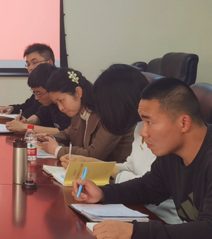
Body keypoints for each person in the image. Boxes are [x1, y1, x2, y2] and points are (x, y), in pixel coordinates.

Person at [73, 77, 212, 239]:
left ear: (184, 123)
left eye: (149, 122)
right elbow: (148, 187)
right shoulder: (173, 152)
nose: (143, 132)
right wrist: (103, 193)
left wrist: (135, 232)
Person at [59, 64, 179, 224]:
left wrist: (110, 170)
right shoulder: (138, 127)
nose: (101, 113)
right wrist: (93, 164)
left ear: (118, 103)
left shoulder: (161, 134)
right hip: (136, 210)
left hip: (160, 219)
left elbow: (148, 186)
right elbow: (130, 166)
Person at [41, 68, 133, 163]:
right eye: (56, 103)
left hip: (118, 170)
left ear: (78, 92)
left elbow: (94, 155)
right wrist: (50, 139)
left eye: (61, 101)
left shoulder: (109, 113)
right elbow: (68, 133)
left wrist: (57, 150)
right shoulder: (79, 111)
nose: (60, 108)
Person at [5, 63, 71, 136]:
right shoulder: (49, 103)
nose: (36, 98)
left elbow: (65, 132)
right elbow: (39, 116)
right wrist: (27, 121)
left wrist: (26, 127)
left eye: (39, 94)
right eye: (34, 93)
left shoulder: (67, 105)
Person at [0, 43, 56, 118]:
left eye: (34, 63)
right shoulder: (38, 84)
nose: (30, 68)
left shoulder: (55, 86)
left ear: (49, 63)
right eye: (28, 64)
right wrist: (13, 108)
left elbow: (31, 113)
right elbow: (28, 105)